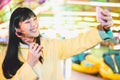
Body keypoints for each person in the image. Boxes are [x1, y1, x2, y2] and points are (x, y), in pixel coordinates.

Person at [0, 7, 114, 80]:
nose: (34, 24)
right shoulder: (4, 55)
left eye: (35, 19)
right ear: (17, 29)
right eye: (27, 22)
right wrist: (29, 64)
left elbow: (76, 43)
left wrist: (102, 29)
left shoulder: (49, 45)